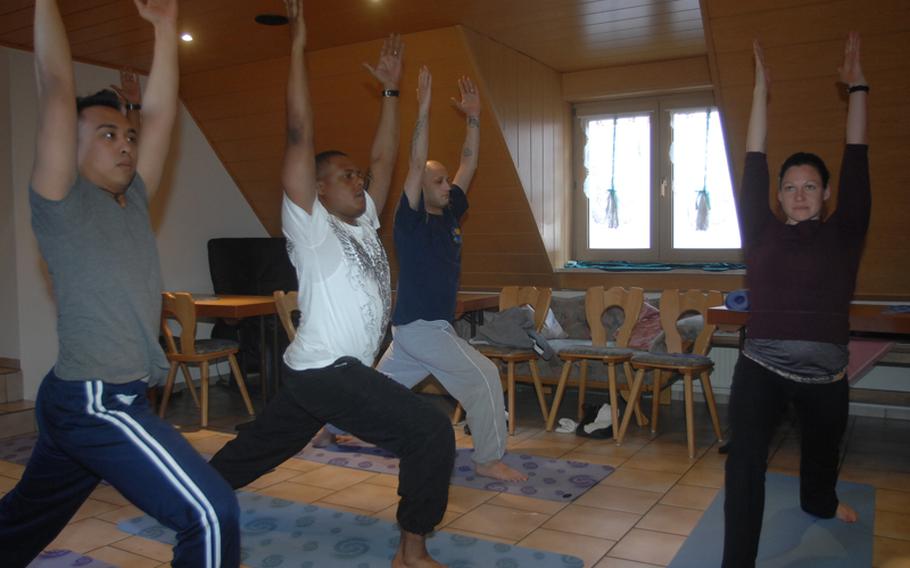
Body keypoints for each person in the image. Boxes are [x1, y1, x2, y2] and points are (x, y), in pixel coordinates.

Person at [208, 2, 455, 567]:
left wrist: (391, 94)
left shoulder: (364, 220)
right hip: (328, 370)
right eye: (347, 176)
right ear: (315, 189)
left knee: (258, 450)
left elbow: (385, 156)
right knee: (430, 433)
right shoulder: (310, 225)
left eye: (360, 179)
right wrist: (296, 46)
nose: (361, 182)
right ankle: (411, 550)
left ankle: (187, 492)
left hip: (317, 371)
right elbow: (299, 130)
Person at [0, 1, 241, 566]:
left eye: (128, 135)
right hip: (94, 398)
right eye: (107, 133)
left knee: (23, 519)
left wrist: (162, 30)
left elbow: (160, 116)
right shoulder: (61, 201)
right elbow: (56, 84)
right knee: (209, 513)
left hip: (100, 396)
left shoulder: (133, 200)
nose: (127, 143)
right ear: (70, 146)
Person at [723, 32, 869, 567]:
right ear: (778, 195)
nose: (800, 193)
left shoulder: (846, 230)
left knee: (822, 457)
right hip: (761, 364)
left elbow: (857, 157)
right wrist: (761, 86)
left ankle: (820, 501)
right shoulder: (760, 228)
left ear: (827, 193)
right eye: (790, 186)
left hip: (826, 374)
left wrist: (858, 85)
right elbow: (754, 156)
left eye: (810, 185)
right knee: (743, 461)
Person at [372, 67, 525, 482]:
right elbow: (413, 160)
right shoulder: (410, 220)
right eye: (437, 181)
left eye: (445, 180)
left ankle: (337, 429)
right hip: (422, 327)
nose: (447, 186)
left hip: (418, 328)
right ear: (421, 187)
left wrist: (473, 118)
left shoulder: (450, 212)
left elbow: (469, 163)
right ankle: (488, 459)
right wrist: (422, 104)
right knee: (486, 376)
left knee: (373, 394)